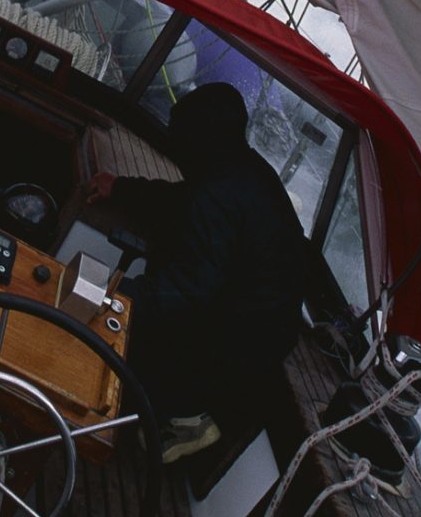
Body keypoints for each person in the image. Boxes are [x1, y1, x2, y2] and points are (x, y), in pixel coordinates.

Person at [86, 81, 313, 463]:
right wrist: (122, 188)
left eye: (179, 135)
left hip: (240, 343)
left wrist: (112, 299)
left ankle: (186, 415)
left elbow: (185, 294)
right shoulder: (242, 169)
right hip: (268, 326)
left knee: (128, 339)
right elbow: (180, 201)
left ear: (197, 139)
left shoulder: (216, 194)